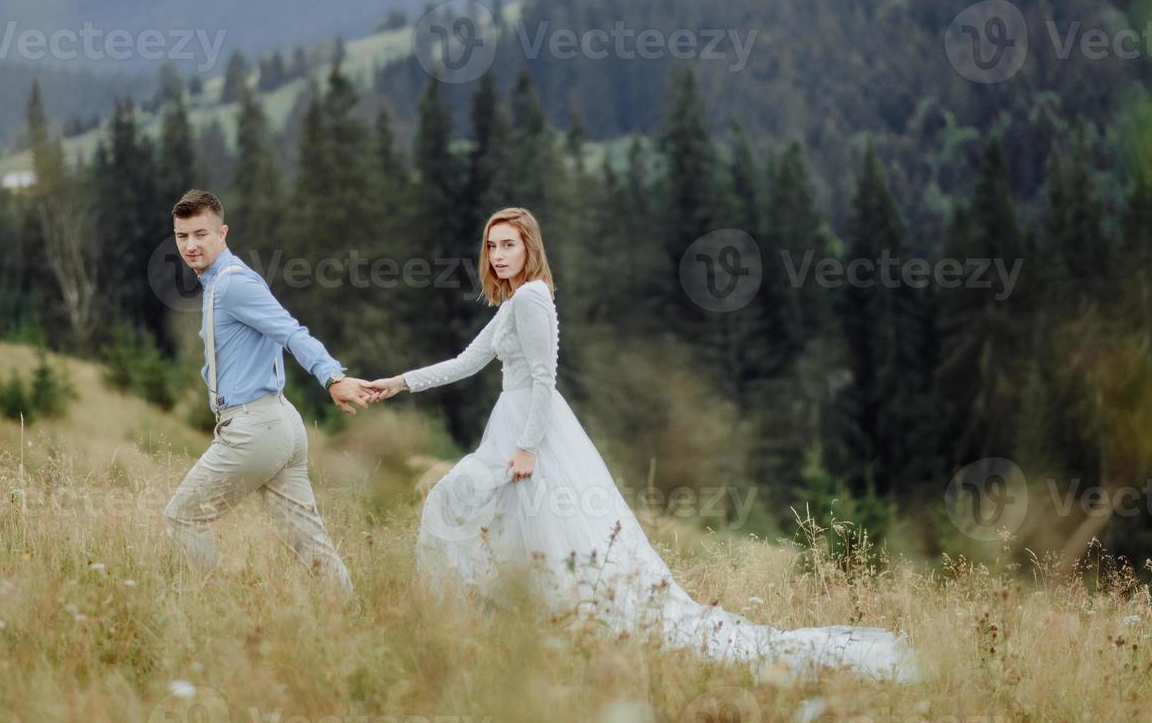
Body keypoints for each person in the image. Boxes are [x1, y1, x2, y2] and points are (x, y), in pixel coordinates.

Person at [369, 207, 919, 682]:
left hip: (530, 430)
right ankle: (511, 624)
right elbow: (469, 362)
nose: (498, 254)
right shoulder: (514, 302)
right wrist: (400, 382)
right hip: (510, 424)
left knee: (482, 505)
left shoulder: (533, 299)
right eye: (491, 246)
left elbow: (544, 375)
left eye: (509, 244)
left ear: (530, 248)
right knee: (498, 516)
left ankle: (534, 622)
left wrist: (529, 447)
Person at [160, 189, 379, 593]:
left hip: (255, 426)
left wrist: (332, 377)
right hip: (278, 425)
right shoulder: (219, 283)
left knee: (182, 518)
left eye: (200, 234)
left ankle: (219, 611)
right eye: (182, 236)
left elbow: (290, 331)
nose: (190, 245)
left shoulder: (232, 284)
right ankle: (351, 620)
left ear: (222, 233)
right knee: (311, 547)